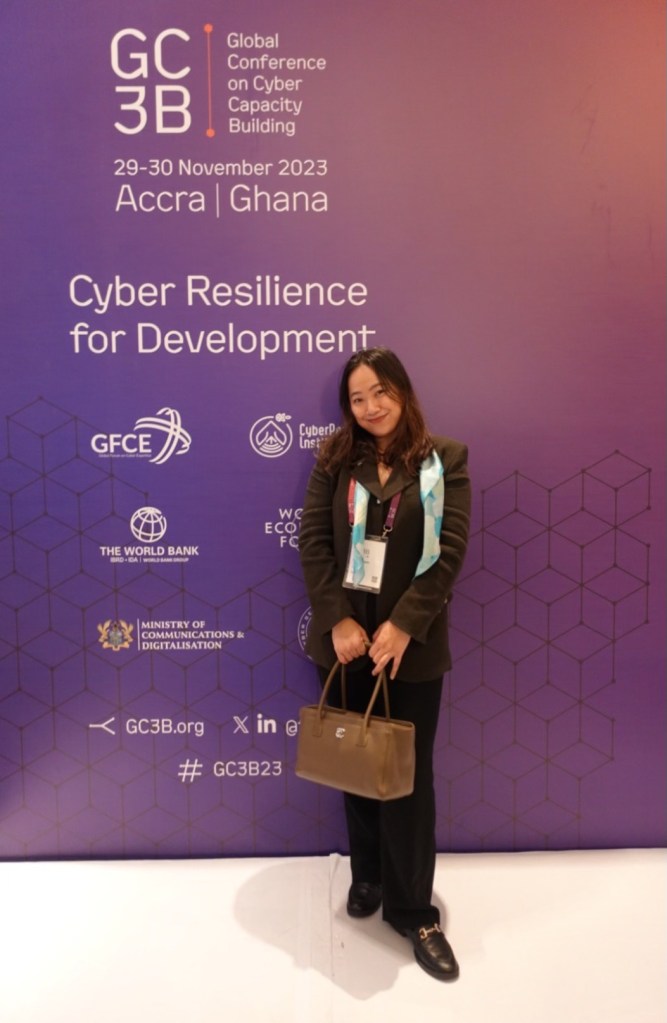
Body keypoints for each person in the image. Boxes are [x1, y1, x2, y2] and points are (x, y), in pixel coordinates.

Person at [298, 347, 471, 981]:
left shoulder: (444, 459)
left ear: (402, 391)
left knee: (407, 779)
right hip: (346, 646)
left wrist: (402, 626)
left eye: (380, 393)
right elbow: (314, 541)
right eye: (357, 398)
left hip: (410, 650)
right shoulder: (333, 459)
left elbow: (449, 550)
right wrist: (338, 620)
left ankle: (413, 910)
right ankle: (367, 875)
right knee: (355, 764)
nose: (370, 407)